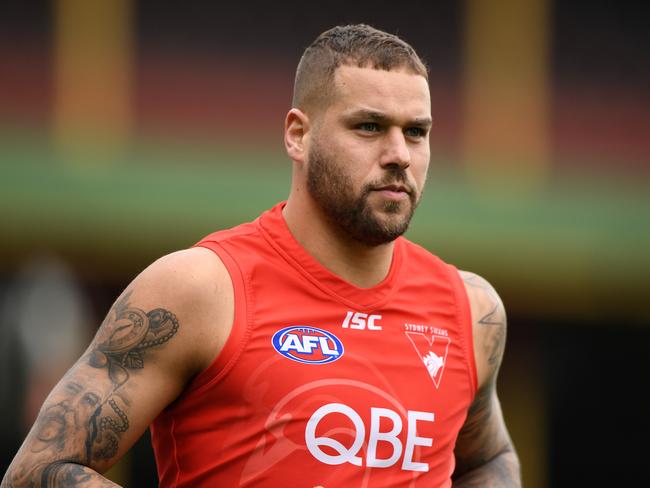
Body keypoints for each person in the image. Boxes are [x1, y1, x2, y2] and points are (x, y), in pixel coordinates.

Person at [2, 24, 521, 487]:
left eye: (416, 132)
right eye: (369, 127)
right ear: (299, 134)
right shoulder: (201, 290)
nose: (399, 155)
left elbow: (489, 458)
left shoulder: (470, 311)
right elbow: (39, 472)